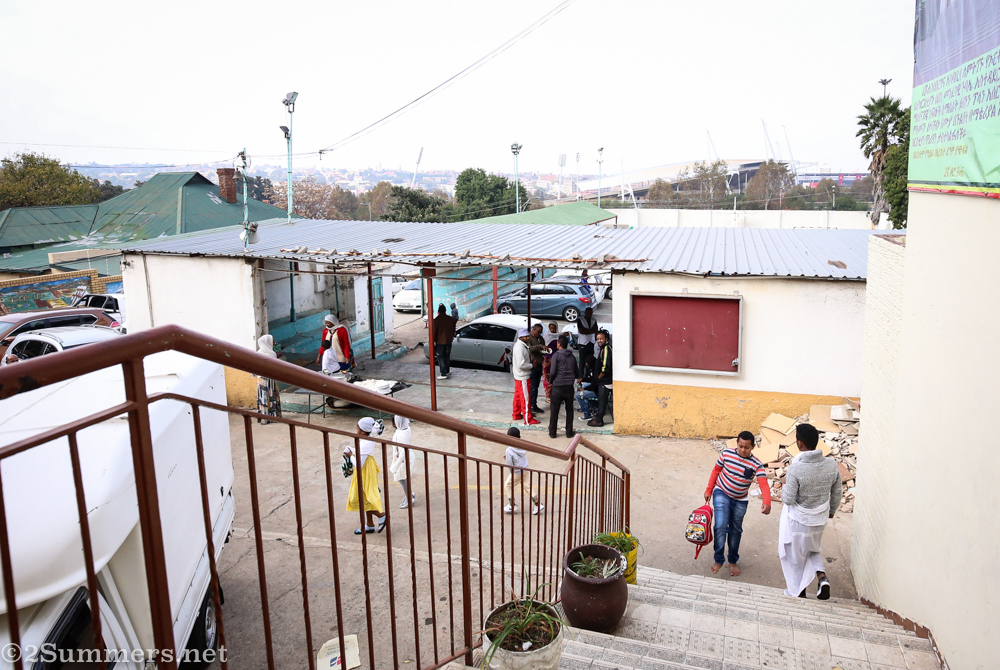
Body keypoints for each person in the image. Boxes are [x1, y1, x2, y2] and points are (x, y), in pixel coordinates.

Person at [779, 423, 842, 599]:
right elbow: (837, 492)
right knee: (812, 549)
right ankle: (822, 578)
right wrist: (832, 510)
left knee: (796, 556)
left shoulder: (796, 468)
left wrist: (784, 487)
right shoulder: (831, 465)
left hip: (799, 521)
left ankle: (799, 591)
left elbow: (788, 499)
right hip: (820, 519)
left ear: (799, 443)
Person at [704, 430, 772, 576]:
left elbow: (763, 484)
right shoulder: (726, 454)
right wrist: (709, 489)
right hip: (721, 492)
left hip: (740, 500)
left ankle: (732, 561)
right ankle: (718, 560)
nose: (743, 450)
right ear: (737, 444)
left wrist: (767, 502)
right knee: (720, 526)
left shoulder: (757, 464)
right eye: (740, 446)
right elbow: (716, 471)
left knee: (735, 531)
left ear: (753, 447)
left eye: (746, 447)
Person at [345, 417, 387, 535]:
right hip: (367, 468)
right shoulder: (367, 438)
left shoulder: (365, 443)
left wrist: (350, 456)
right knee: (364, 495)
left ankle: (381, 515)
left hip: (365, 471)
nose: (356, 430)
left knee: (363, 497)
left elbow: (359, 464)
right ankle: (369, 525)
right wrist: (352, 450)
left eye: (358, 428)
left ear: (363, 431)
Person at [503, 427, 544, 515]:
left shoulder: (509, 450)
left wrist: (512, 472)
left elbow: (509, 464)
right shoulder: (521, 444)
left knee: (508, 485)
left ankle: (512, 505)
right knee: (527, 487)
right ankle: (537, 504)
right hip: (525, 469)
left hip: (517, 472)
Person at [547, 334, 578, 439]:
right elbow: (577, 372)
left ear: (559, 344)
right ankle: (569, 432)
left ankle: (552, 432)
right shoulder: (572, 357)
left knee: (554, 410)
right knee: (569, 410)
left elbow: (552, 372)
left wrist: (550, 382)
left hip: (557, 387)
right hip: (569, 387)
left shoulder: (556, 355)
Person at [511, 329, 540, 425]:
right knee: (526, 399)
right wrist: (532, 365)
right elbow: (521, 365)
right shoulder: (520, 348)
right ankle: (528, 419)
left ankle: (516, 414)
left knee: (518, 397)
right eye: (526, 336)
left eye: (528, 336)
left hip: (519, 376)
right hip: (523, 376)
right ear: (521, 337)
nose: (528, 338)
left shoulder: (521, 345)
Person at [585, 329, 613, 427]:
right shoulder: (603, 349)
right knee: (602, 401)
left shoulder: (607, 349)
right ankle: (598, 419)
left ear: (606, 339)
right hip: (603, 381)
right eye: (597, 339)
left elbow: (606, 366)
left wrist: (600, 376)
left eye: (601, 339)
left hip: (605, 381)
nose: (599, 341)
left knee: (602, 401)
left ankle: (599, 420)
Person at [389, 415, 417, 509]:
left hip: (403, 460)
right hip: (405, 457)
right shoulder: (406, 428)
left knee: (401, 478)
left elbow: (402, 453)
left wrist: (395, 466)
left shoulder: (401, 435)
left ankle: (409, 498)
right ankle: (409, 493)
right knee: (403, 477)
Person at [255, 334, 282, 424]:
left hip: (261, 380)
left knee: (263, 397)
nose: (274, 342)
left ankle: (263, 417)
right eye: (272, 340)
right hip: (270, 380)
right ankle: (273, 416)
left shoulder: (258, 353)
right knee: (271, 397)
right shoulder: (272, 354)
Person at [431, 303, 458, 379]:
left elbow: (434, 332)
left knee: (441, 357)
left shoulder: (436, 320)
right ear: (445, 310)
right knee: (447, 356)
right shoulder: (450, 319)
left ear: (439, 311)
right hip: (449, 341)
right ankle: (447, 371)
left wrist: (433, 341)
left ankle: (443, 373)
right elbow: (454, 329)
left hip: (440, 342)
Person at [527, 323, 547, 415]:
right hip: (532, 365)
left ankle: (534, 405)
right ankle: (530, 406)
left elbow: (542, 347)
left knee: (536, 387)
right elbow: (529, 349)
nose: (539, 334)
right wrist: (539, 346)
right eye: (538, 332)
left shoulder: (540, 338)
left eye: (540, 332)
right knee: (532, 387)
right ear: (534, 329)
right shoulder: (529, 338)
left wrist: (544, 350)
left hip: (539, 364)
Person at [576, 307, 599, 372]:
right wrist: (591, 331)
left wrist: (587, 331)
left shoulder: (594, 320)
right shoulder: (580, 319)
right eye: (588, 312)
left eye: (590, 313)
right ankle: (581, 376)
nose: (589, 314)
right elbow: (581, 331)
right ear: (585, 312)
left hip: (591, 343)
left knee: (590, 361)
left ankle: (588, 375)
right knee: (582, 362)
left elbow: (595, 330)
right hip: (582, 343)